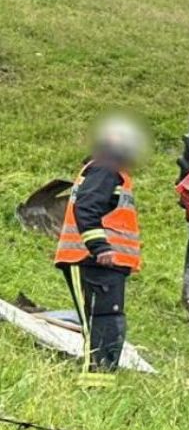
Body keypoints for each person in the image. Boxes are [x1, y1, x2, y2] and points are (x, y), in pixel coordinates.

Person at [54, 115, 146, 387]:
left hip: (101, 264)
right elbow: (86, 208)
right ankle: (95, 388)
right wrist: (100, 247)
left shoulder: (108, 171)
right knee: (103, 326)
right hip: (94, 261)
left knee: (105, 325)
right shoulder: (106, 169)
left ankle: (98, 385)